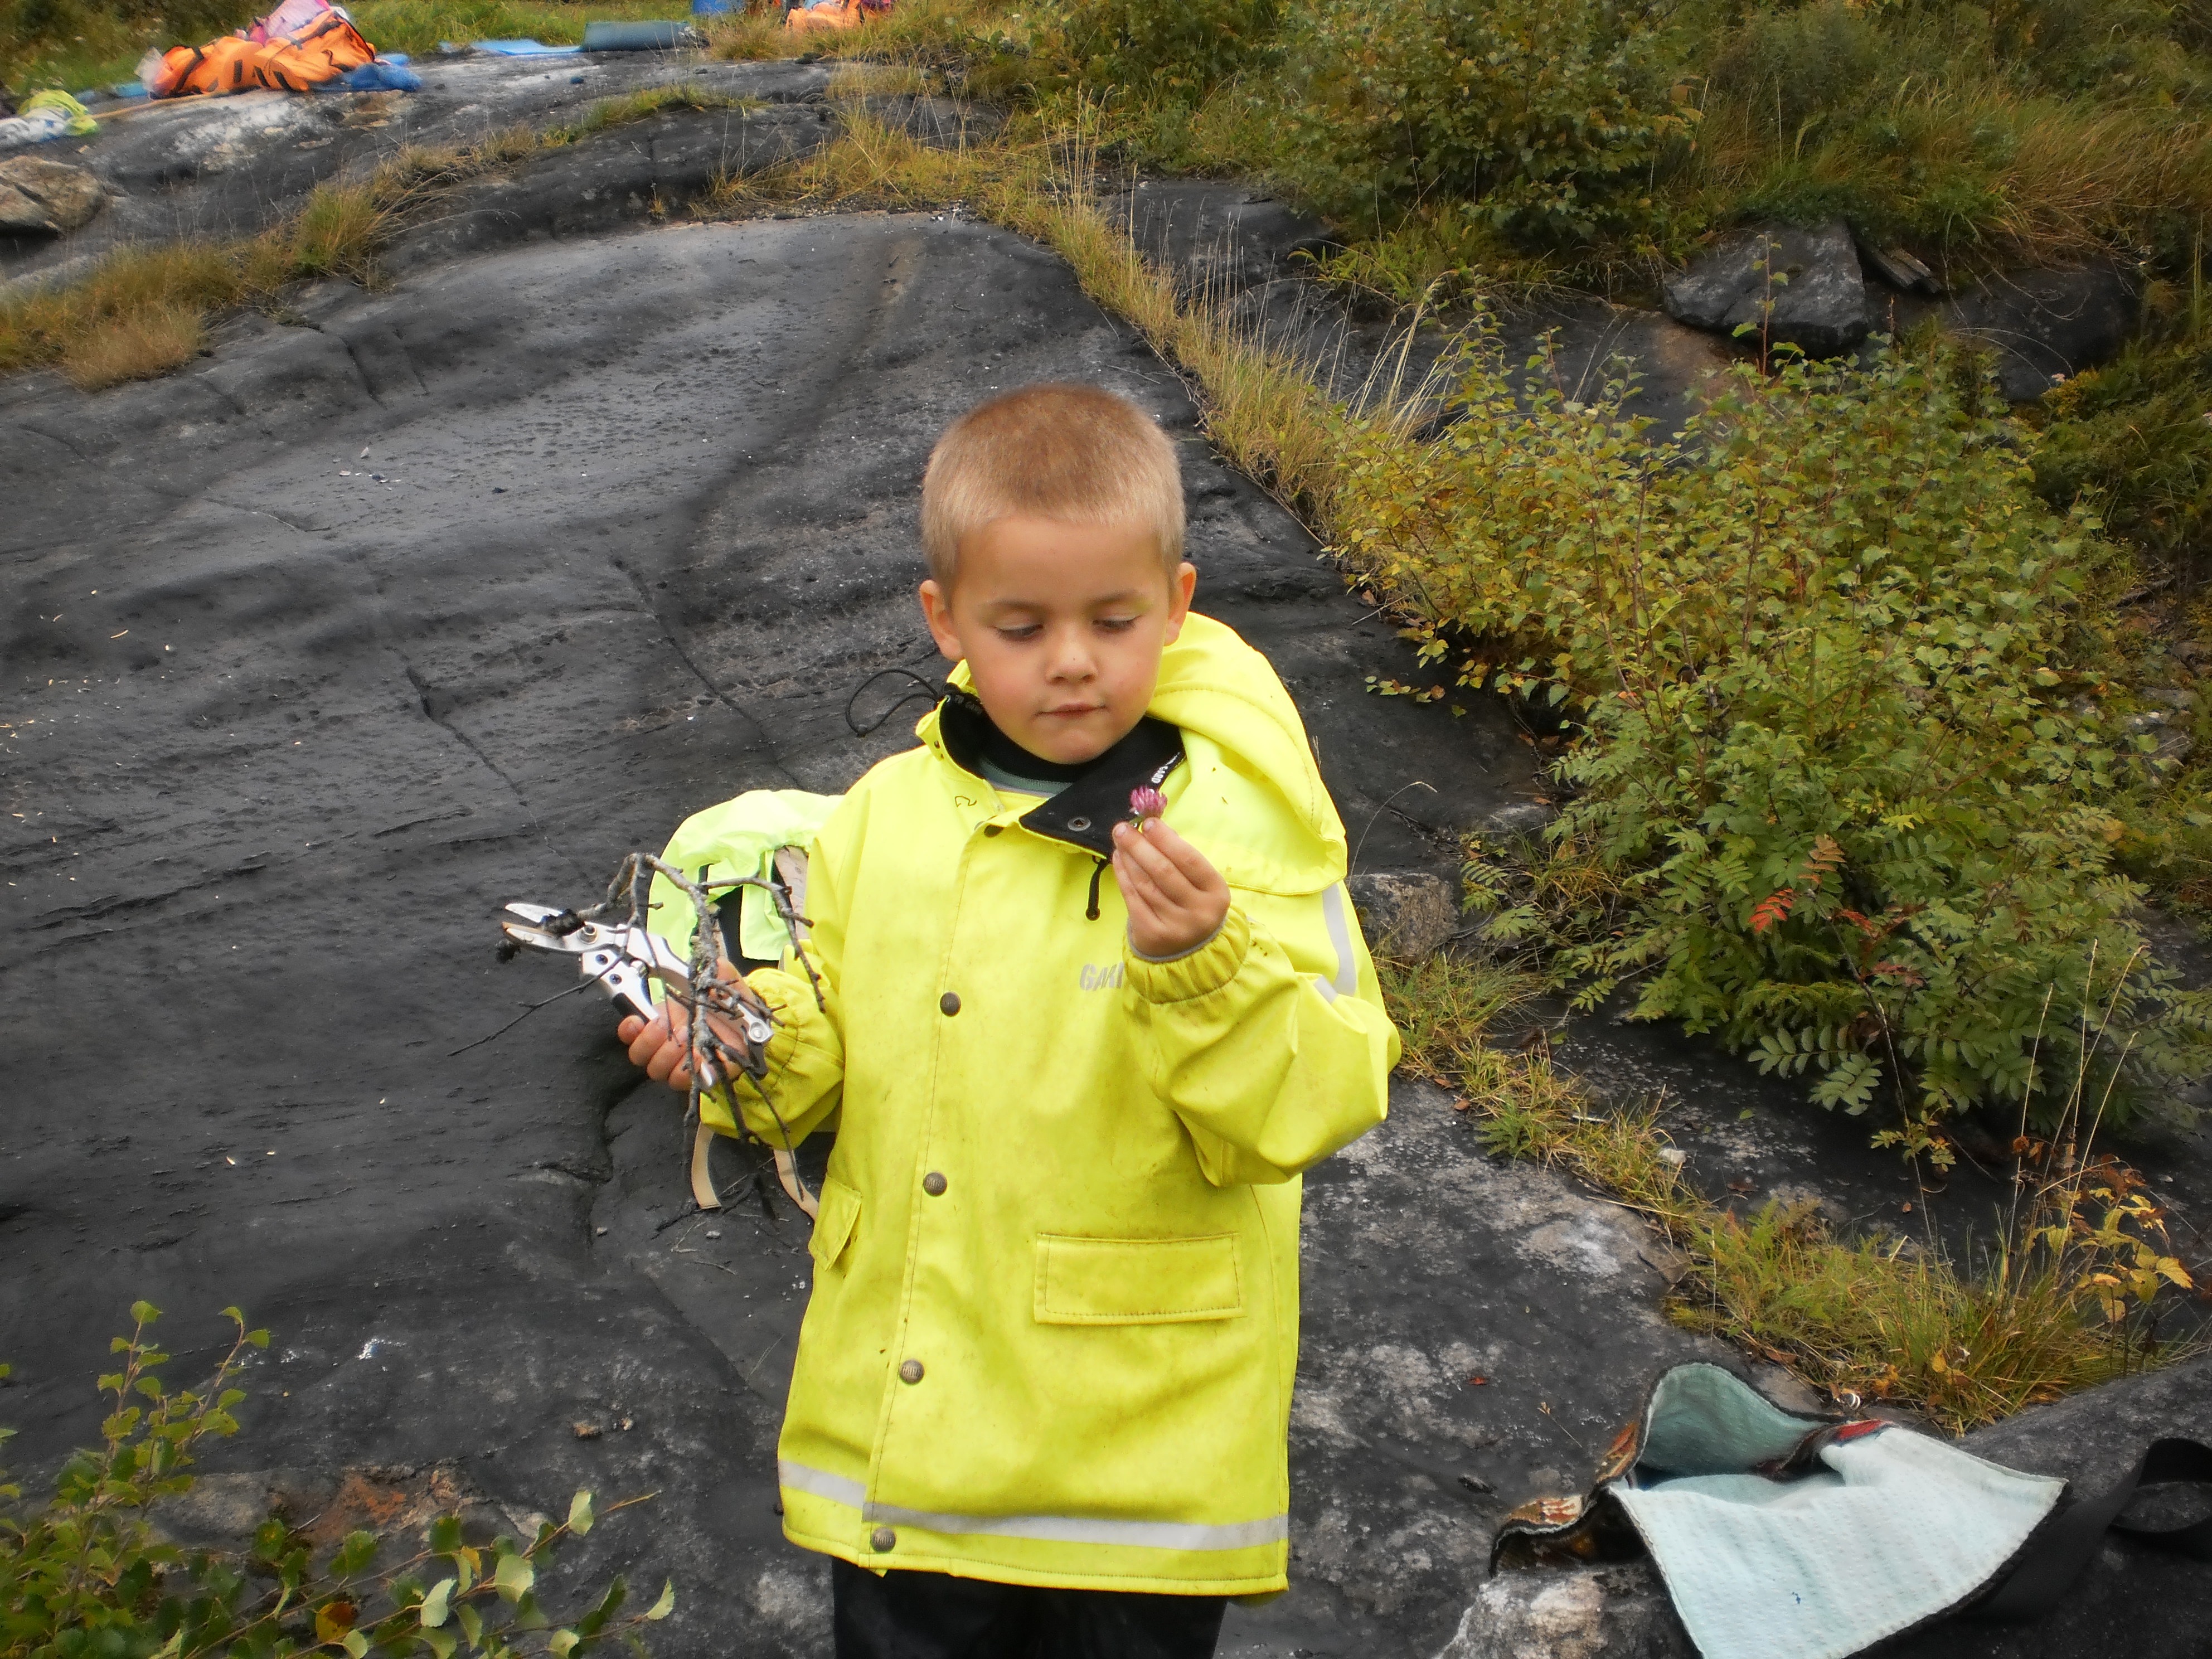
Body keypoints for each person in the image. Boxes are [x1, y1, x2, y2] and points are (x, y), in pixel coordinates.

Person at [619, 383, 1400, 1659]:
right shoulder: (879, 818)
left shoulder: (1241, 824)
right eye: (1022, 626)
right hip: (911, 1450)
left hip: (1141, 1469)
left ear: (1178, 604)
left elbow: (1316, 1105)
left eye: (1112, 620)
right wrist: (743, 1047)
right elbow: (821, 1071)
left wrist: (1205, 965)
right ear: (946, 620)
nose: (1072, 660)